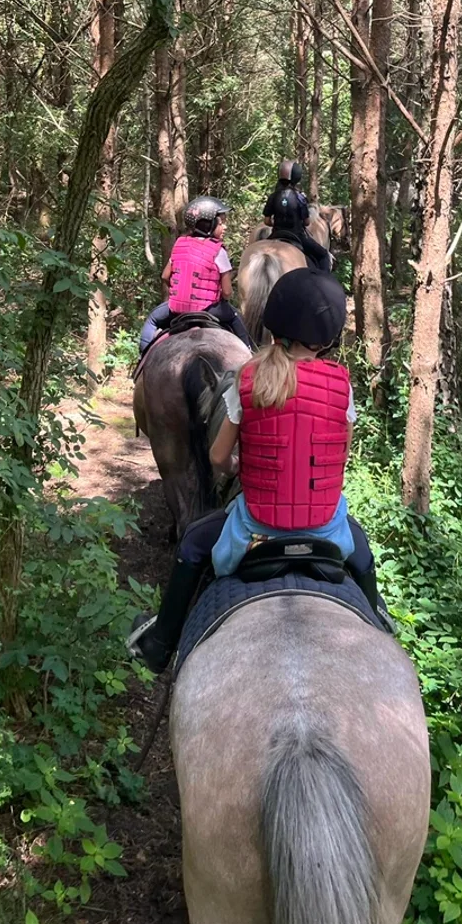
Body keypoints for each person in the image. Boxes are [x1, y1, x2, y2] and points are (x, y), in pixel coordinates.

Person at [127, 271, 383, 672]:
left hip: (256, 525)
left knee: (193, 544)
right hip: (325, 525)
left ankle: (161, 643)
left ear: (276, 324)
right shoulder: (342, 386)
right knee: (364, 555)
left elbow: (217, 459)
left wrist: (240, 466)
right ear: (329, 335)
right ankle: (380, 622)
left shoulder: (248, 379)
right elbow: (340, 454)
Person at [138, 198, 251, 354]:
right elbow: (227, 292)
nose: (225, 227)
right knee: (235, 317)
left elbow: (165, 276)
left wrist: (179, 293)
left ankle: (143, 357)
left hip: (177, 309)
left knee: (152, 320)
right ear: (209, 225)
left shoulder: (180, 244)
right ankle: (250, 354)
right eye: (221, 223)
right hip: (210, 309)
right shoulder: (219, 251)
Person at [262, 159, 332, 273]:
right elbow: (307, 222)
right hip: (297, 235)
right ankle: (323, 282)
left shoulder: (273, 196)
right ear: (296, 177)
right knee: (324, 255)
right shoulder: (300, 197)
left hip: (276, 234)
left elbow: (267, 221)